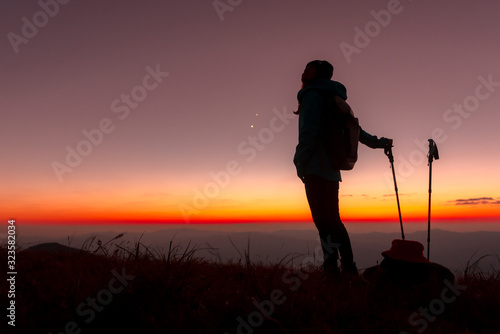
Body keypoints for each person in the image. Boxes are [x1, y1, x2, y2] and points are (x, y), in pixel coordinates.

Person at [293, 60, 393, 276]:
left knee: (323, 221)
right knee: (332, 220)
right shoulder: (333, 97)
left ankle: (334, 268)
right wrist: (379, 142)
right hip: (331, 168)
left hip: (314, 166)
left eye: (309, 67)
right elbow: (355, 130)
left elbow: (307, 134)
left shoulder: (311, 95)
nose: (304, 69)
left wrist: (300, 163)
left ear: (318, 74)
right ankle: (345, 267)